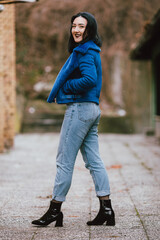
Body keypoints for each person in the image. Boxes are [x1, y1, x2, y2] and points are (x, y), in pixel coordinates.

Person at [32, 12, 115, 227]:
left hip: (79, 109)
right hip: (92, 109)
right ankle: (107, 209)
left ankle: (54, 210)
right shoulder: (92, 50)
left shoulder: (85, 52)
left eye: (82, 26)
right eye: (74, 25)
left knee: (64, 162)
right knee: (94, 161)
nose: (77, 30)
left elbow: (89, 79)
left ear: (89, 30)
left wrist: (65, 88)